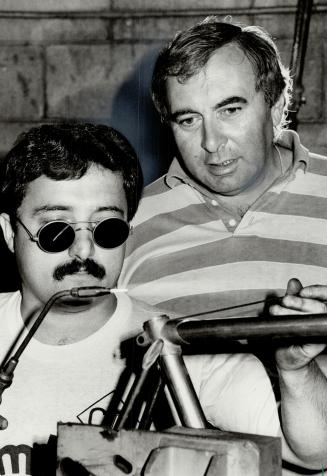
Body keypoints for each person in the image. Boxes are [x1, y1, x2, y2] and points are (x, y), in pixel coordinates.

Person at [0, 122, 287, 475]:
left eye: (107, 228)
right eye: (56, 230)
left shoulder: (187, 350)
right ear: (9, 233)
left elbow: (305, 455)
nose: (84, 249)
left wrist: (297, 372)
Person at [118, 16, 327, 474]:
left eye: (230, 110)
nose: (212, 144)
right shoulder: (126, 224)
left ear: (275, 109)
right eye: (188, 119)